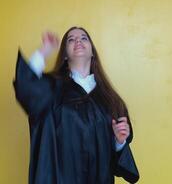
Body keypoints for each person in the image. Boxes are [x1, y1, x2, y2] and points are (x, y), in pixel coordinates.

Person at [13, 26, 139, 184]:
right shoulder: (51, 89)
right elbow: (26, 86)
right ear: (65, 55)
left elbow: (116, 164)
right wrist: (44, 51)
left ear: (92, 52)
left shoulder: (111, 100)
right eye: (71, 40)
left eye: (84, 38)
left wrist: (118, 142)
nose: (78, 40)